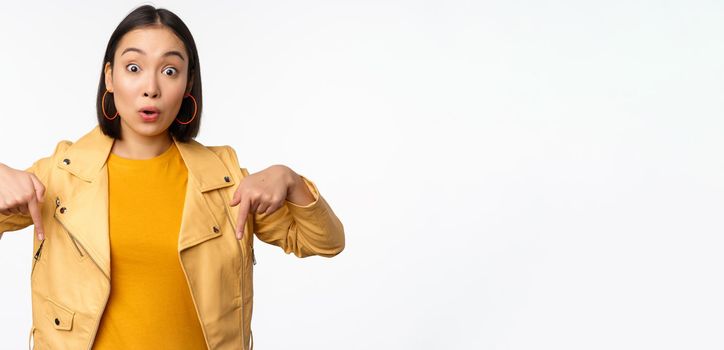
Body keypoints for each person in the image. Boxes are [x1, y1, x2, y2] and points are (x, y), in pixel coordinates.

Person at [0, 5, 345, 350]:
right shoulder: (60, 176)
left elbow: (325, 241)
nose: (151, 88)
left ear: (187, 83)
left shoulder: (225, 182)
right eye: (133, 68)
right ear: (109, 76)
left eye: (169, 70)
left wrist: (290, 179)